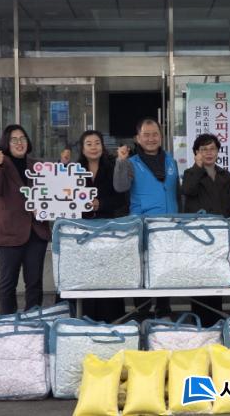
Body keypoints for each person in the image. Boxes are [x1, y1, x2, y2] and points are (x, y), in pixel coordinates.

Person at [114, 117, 180, 317]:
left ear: (161, 137)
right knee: (142, 267)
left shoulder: (171, 161)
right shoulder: (131, 162)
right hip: (143, 224)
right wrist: (121, 162)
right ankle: (141, 312)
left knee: (166, 268)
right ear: (138, 138)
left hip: (169, 224)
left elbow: (176, 192)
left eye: (155, 134)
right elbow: (120, 187)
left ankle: (163, 310)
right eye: (146, 135)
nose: (151, 139)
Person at [0, 124, 51, 315]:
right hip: (8, 233)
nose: (19, 143)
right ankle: (7, 323)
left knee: (34, 283)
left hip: (36, 231)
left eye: (22, 138)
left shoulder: (37, 165)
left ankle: (32, 321)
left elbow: (50, 193)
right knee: (8, 282)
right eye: (14, 139)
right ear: (6, 143)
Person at [181, 133, 230, 325]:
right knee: (199, 277)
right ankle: (199, 321)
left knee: (217, 276)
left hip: (221, 233)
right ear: (196, 153)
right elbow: (188, 190)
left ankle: (216, 321)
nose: (208, 153)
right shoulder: (190, 173)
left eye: (212, 149)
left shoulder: (225, 175)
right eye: (203, 149)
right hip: (199, 235)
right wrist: (198, 168)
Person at [76, 129, 129, 322]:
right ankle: (86, 318)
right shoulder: (74, 169)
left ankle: (112, 319)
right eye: (89, 144)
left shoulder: (112, 167)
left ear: (103, 146)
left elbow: (122, 198)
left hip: (107, 229)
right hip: (82, 231)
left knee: (108, 273)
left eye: (97, 143)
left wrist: (102, 203)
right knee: (86, 274)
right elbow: (65, 198)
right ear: (82, 148)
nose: (93, 147)